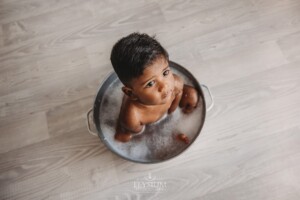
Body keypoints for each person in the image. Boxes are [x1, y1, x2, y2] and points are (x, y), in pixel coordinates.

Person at [110, 33, 198, 142]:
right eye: (150, 83)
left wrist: (172, 110)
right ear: (131, 93)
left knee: (192, 95)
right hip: (133, 121)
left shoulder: (175, 83)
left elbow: (178, 94)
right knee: (124, 135)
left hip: (165, 110)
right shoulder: (133, 116)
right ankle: (123, 131)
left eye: (165, 73)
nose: (164, 85)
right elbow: (140, 132)